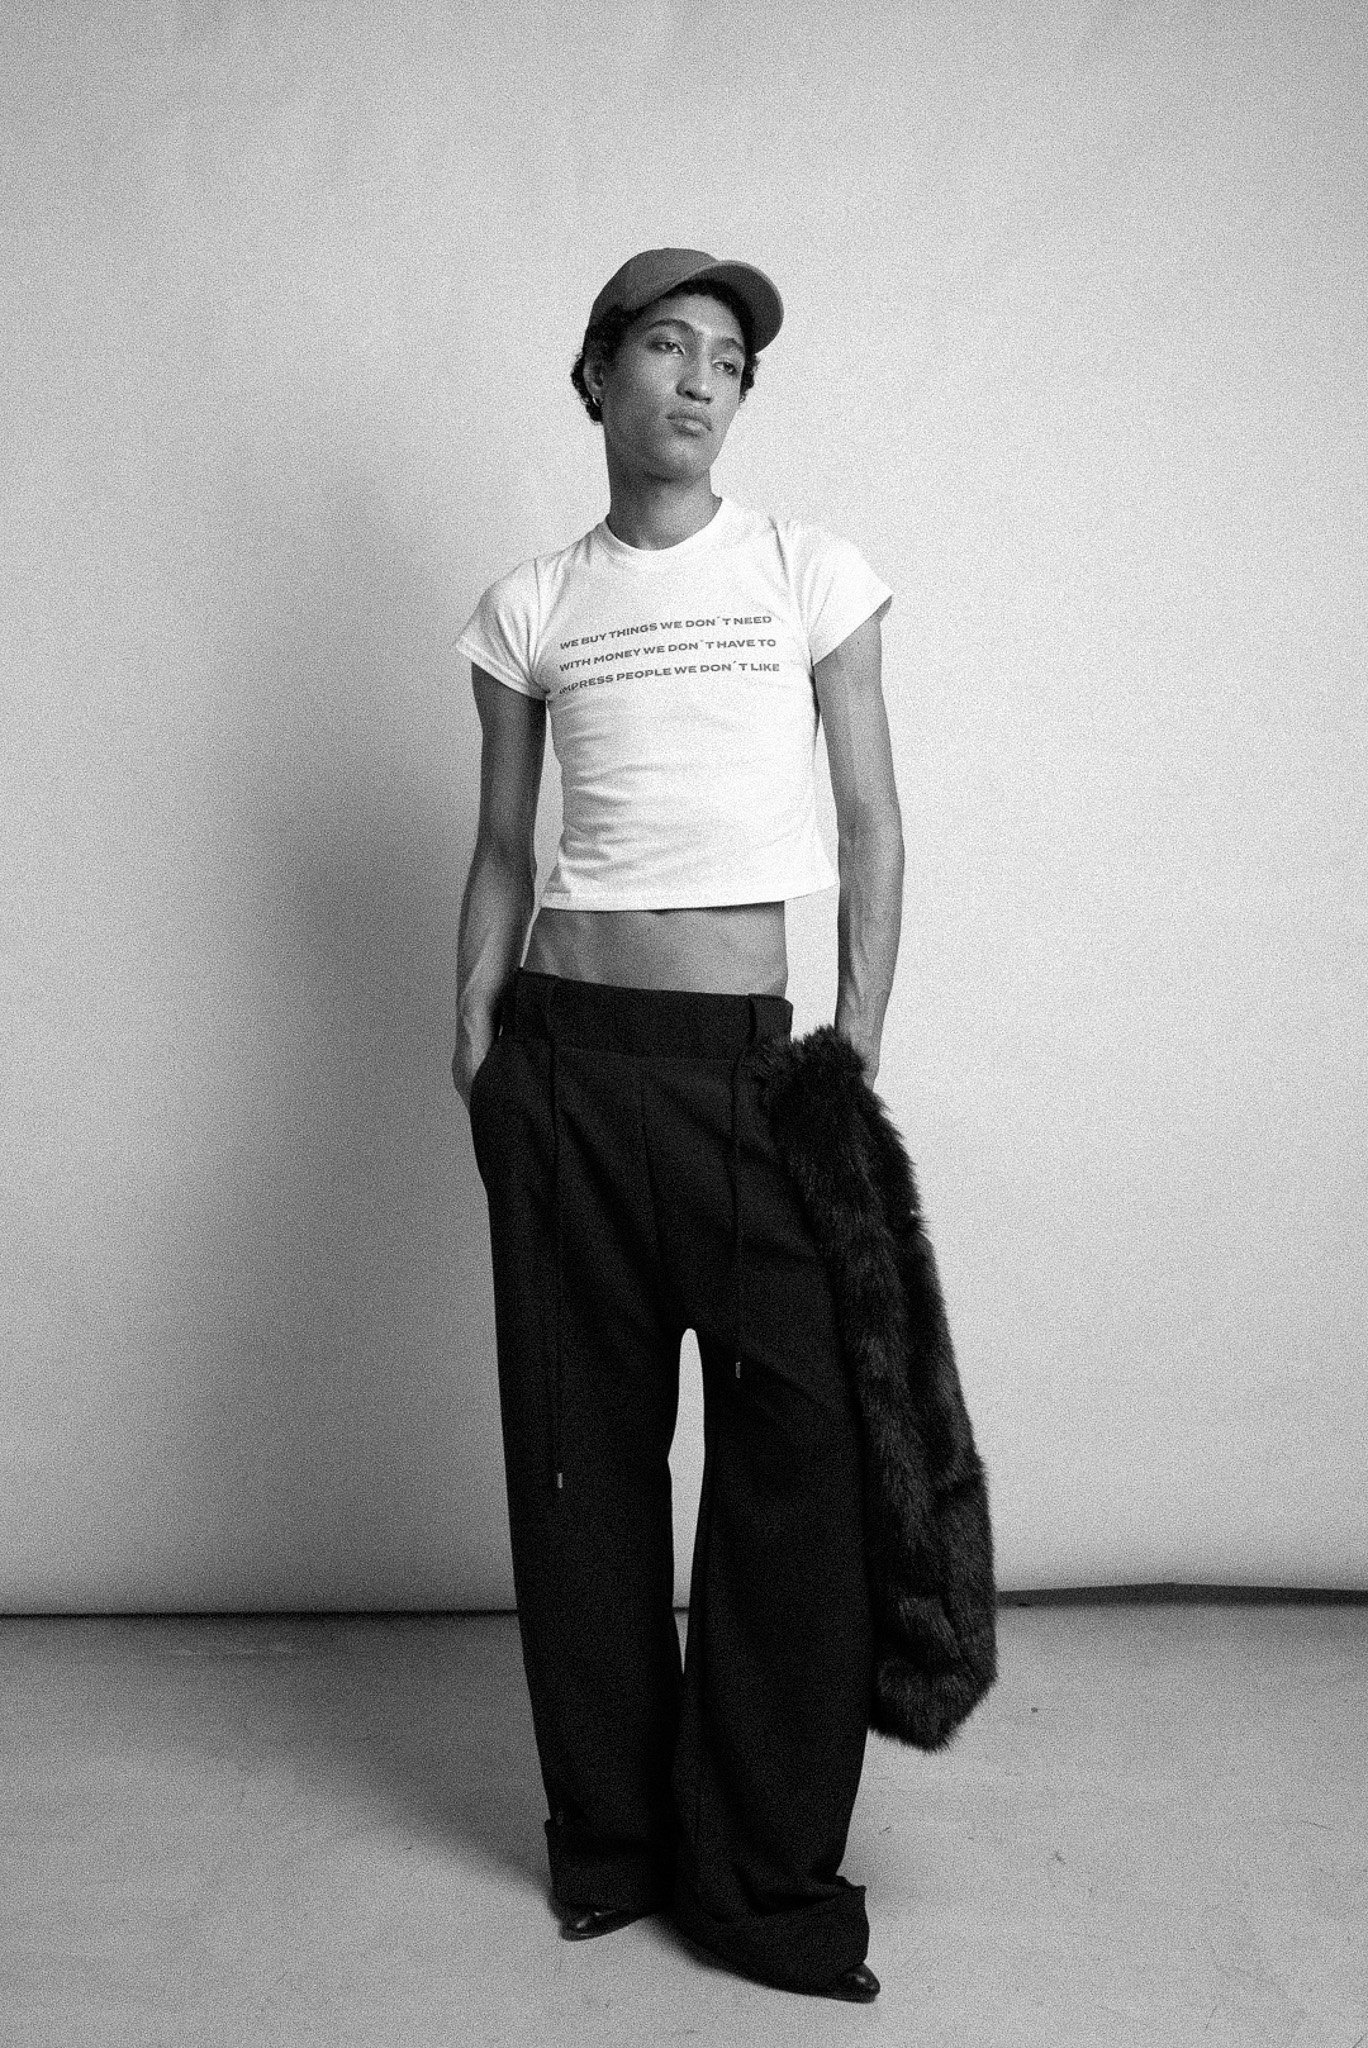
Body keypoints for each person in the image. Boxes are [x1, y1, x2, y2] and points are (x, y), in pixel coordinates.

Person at [453, 247, 903, 2003]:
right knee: (580, 1469)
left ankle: (762, 1872)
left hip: (751, 1075)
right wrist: (477, 1047)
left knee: (807, 1467)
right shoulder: (530, 606)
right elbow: (505, 844)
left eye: (728, 358)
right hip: (567, 1066)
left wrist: (850, 1051)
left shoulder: (809, 573)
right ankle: (615, 1844)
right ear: (599, 376)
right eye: (667, 345)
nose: (702, 379)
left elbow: (871, 825)